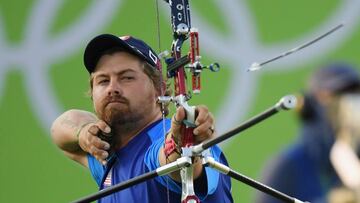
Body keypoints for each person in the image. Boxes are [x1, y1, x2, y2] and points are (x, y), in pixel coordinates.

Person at [51, 34, 233, 202]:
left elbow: (175, 164)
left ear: (159, 89)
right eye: (103, 80)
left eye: (127, 78)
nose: (112, 88)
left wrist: (180, 143)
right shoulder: (106, 154)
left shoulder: (158, 140)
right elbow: (60, 127)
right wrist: (83, 133)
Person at [255, 62, 360, 203]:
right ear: (309, 106)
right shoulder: (286, 167)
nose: (347, 103)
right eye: (335, 95)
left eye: (353, 94)